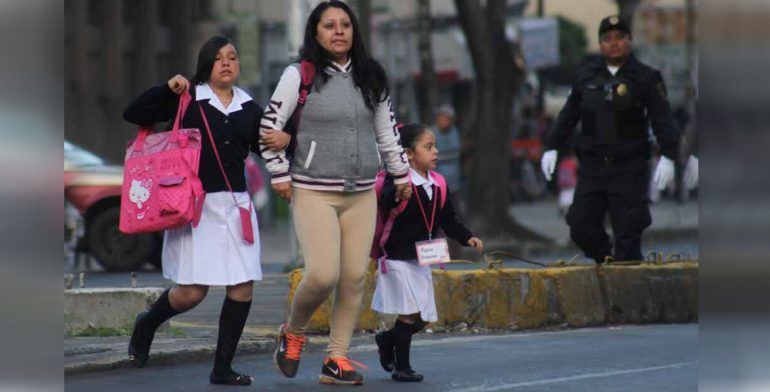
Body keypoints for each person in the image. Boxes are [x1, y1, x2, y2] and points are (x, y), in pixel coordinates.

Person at [258, 1, 411, 385]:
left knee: (355, 277)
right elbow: (268, 128)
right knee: (323, 274)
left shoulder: (370, 75)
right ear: (316, 33)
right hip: (313, 190)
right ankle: (292, 331)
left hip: (362, 192)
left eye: (345, 25)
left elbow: (386, 131)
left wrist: (401, 174)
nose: (339, 31)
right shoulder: (299, 75)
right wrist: (279, 175)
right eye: (329, 25)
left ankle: (336, 358)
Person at [122, 36, 263, 386]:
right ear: (206, 66)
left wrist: (285, 142)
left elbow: (268, 147)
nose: (226, 63)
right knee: (191, 294)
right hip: (194, 208)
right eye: (218, 59)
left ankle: (222, 368)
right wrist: (166, 91)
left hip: (237, 207)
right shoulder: (188, 101)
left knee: (242, 286)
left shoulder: (249, 107)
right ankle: (148, 322)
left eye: (232, 57)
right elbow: (134, 114)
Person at [540, 15, 693, 263]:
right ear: (600, 44)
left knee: (628, 233)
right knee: (580, 226)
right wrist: (552, 147)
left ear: (629, 41)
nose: (614, 43)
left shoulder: (645, 77)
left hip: (629, 168)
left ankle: (627, 286)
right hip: (593, 167)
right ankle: (608, 258)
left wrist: (668, 155)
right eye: (607, 39)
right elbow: (568, 114)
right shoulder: (586, 75)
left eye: (620, 38)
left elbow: (663, 119)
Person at [371, 123, 483, 382]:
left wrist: (467, 237)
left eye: (435, 147)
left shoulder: (439, 184)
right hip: (397, 257)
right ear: (409, 154)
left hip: (422, 258)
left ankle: (386, 340)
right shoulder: (398, 179)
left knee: (424, 316)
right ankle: (402, 367)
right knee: (409, 313)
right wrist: (398, 194)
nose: (435, 152)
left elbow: (448, 218)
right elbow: (385, 201)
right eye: (428, 147)